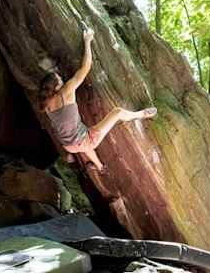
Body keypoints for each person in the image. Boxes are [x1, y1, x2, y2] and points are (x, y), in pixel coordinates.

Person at [39, 26, 157, 173]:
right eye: (60, 79)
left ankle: (100, 167)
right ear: (56, 87)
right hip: (82, 141)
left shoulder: (46, 103)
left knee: (83, 141)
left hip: (68, 145)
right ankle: (142, 114)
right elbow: (85, 67)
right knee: (117, 112)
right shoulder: (67, 91)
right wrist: (88, 41)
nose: (62, 79)